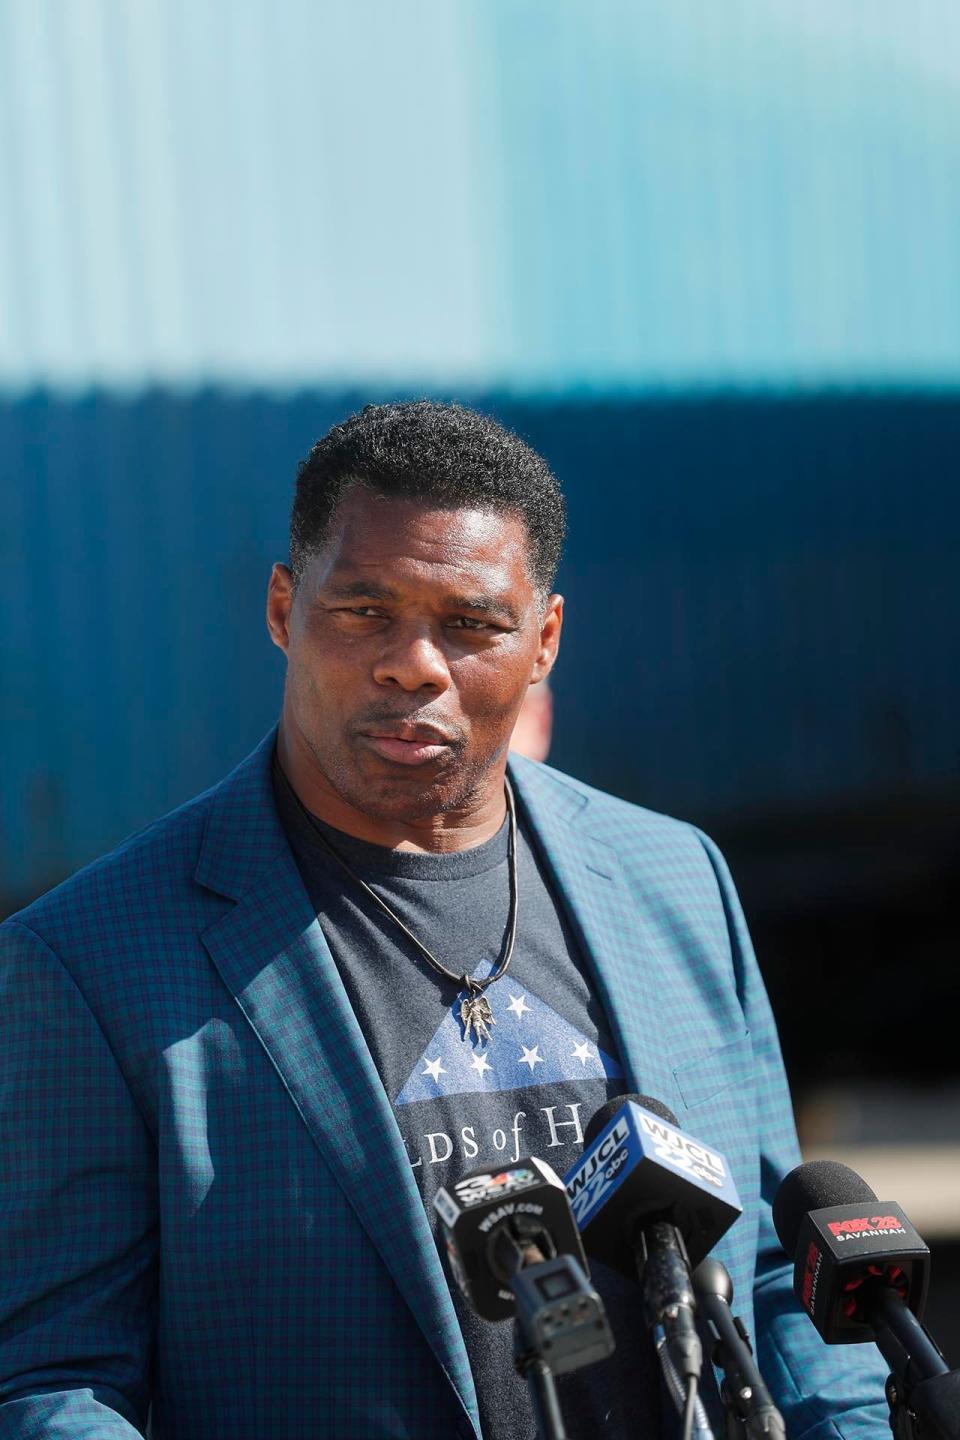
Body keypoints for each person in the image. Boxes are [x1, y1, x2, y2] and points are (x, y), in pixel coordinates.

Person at [0, 402, 887, 1439]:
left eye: (470, 624)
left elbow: (784, 1281)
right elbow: (54, 1383)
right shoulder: (91, 961)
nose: (414, 665)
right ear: (283, 608)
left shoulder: (676, 878)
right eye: (364, 611)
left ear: (545, 639)